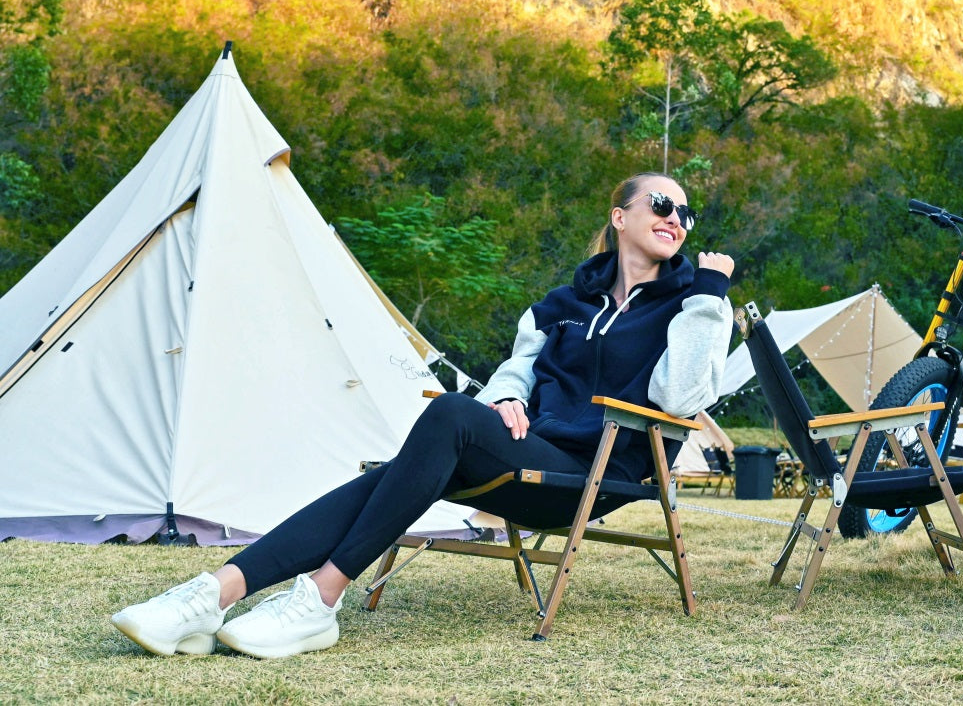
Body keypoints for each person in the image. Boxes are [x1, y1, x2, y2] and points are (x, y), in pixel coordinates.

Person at [111, 172, 734, 658]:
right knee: (418, 451)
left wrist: (709, 297)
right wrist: (506, 397)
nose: (675, 220)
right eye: (661, 205)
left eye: (685, 213)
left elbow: (680, 398)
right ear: (620, 217)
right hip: (527, 447)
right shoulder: (564, 302)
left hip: (594, 471)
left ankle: (315, 598)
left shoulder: (692, 302)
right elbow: (519, 369)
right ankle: (217, 595)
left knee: (450, 418)